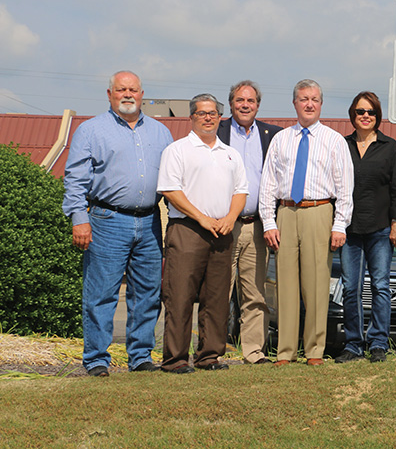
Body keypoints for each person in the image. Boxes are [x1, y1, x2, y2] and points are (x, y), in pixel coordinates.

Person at [62, 70, 173, 377]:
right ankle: (97, 358)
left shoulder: (161, 132)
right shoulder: (90, 130)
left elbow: (173, 179)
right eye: (121, 89)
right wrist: (79, 218)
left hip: (151, 221)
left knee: (148, 293)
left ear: (142, 94)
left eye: (133, 90)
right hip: (106, 220)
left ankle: (140, 356)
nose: (128, 94)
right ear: (109, 94)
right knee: (101, 293)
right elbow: (75, 179)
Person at [259, 79, 354, 366]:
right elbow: (268, 184)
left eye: (314, 99)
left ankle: (314, 350)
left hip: (319, 211)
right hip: (286, 213)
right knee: (285, 284)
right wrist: (268, 221)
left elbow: (345, 187)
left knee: (315, 284)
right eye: (303, 99)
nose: (309, 104)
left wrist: (340, 225)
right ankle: (285, 352)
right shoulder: (281, 139)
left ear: (321, 104)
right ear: (295, 103)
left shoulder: (334, 140)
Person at [157, 94, 248, 374]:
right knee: (181, 295)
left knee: (217, 297)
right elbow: (171, 190)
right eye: (201, 113)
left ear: (219, 117)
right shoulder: (178, 150)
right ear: (192, 117)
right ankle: (176, 358)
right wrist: (202, 218)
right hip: (188, 230)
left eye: (212, 114)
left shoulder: (230, 153)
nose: (208, 118)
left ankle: (209, 356)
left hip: (222, 231)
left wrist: (231, 218)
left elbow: (240, 191)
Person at [334, 92, 396, 364]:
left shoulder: (390, 147)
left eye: (371, 112)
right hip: (349, 230)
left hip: (380, 230)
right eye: (360, 111)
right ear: (352, 115)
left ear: (377, 116)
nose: (365, 116)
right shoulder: (342, 145)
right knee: (350, 288)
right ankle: (353, 344)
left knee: (380, 286)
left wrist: (395, 222)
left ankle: (378, 343)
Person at [217, 80, 282, 364]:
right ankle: (213, 351)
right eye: (240, 100)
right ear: (231, 103)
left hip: (257, 226)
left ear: (258, 105)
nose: (245, 105)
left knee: (255, 292)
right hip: (222, 226)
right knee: (218, 290)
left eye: (251, 101)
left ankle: (254, 352)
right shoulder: (215, 132)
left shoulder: (272, 136)